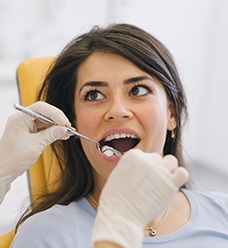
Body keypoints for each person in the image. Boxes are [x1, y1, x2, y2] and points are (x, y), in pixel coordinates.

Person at [8, 23, 228, 247]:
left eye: (138, 90)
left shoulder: (224, 212)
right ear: (73, 123)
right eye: (94, 95)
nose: (117, 111)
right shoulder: (47, 235)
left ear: (171, 114)